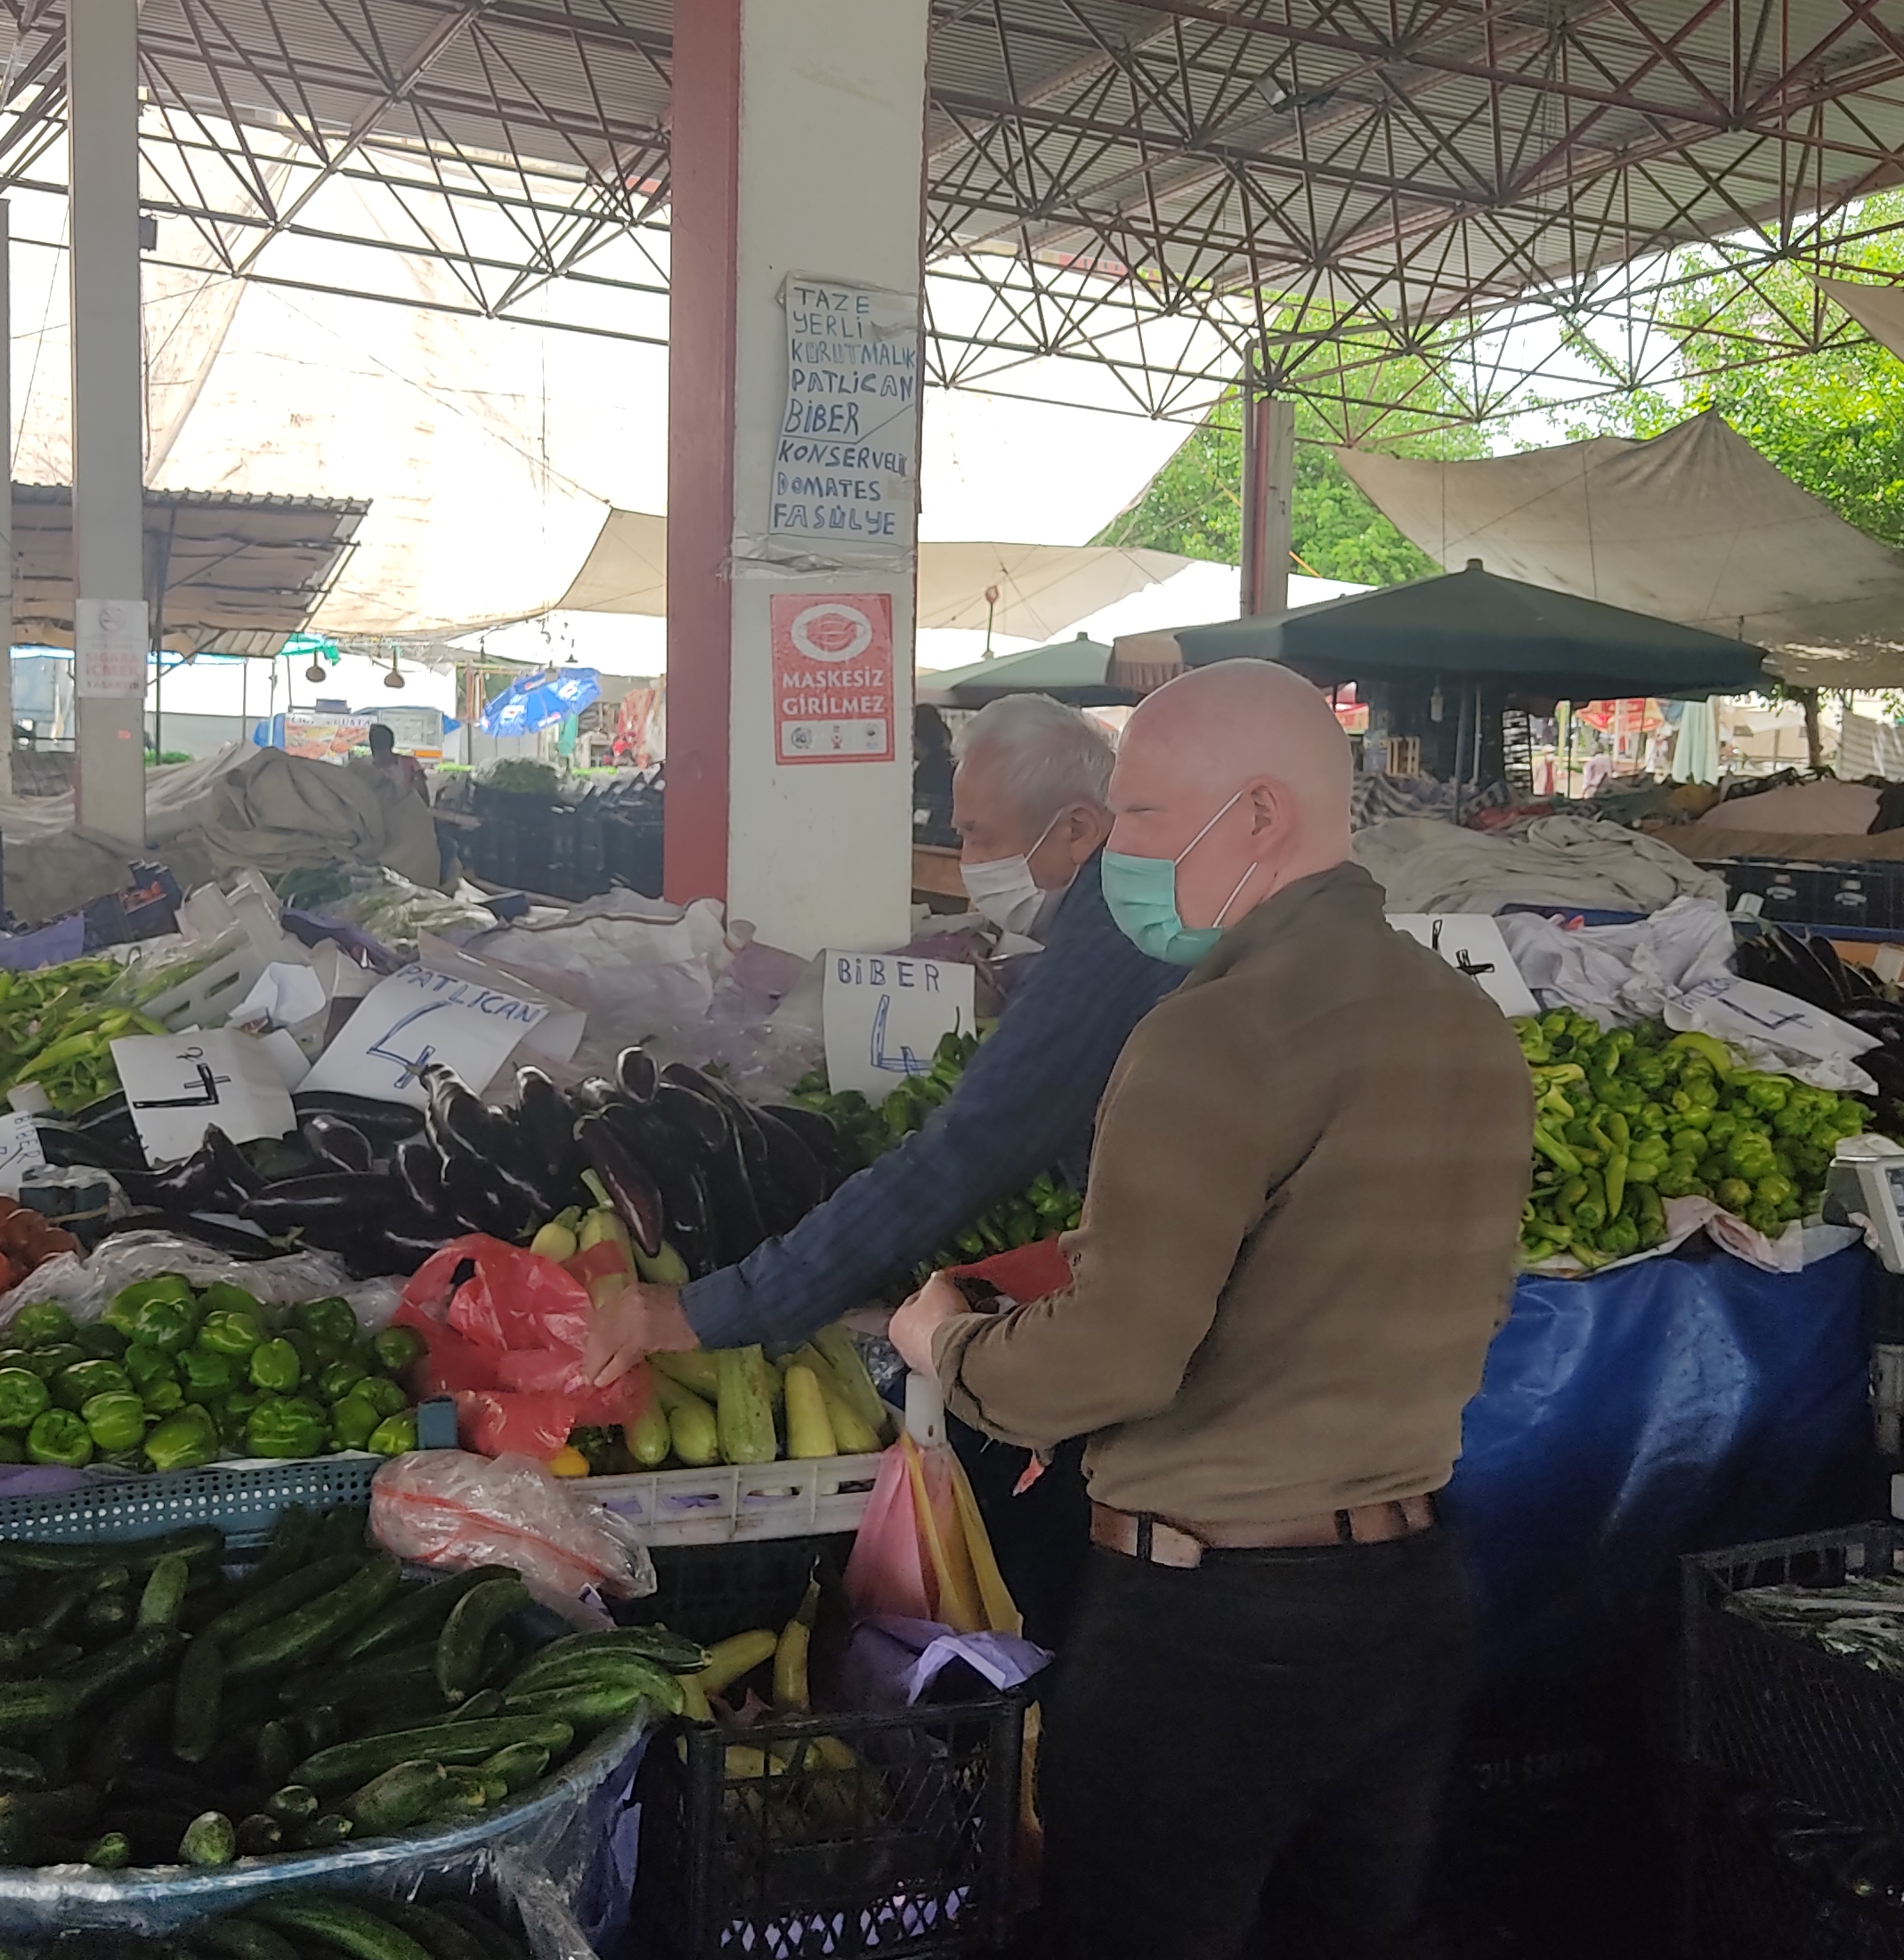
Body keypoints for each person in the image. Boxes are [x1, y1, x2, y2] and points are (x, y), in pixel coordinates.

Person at [888, 659, 1533, 1960]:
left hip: (1214, 1626)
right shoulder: (1469, 1020)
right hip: (1413, 1598)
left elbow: (1119, 1357)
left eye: (1136, 817)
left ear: (1255, 817)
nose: (1114, 852)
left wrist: (947, 1346)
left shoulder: (1209, 1033)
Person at [578, 698, 1187, 1628]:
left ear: (1075, 829)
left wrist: (706, 1310)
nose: (962, 850)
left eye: (978, 833)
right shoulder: (1141, 908)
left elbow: (964, 1153)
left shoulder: (1115, 928)